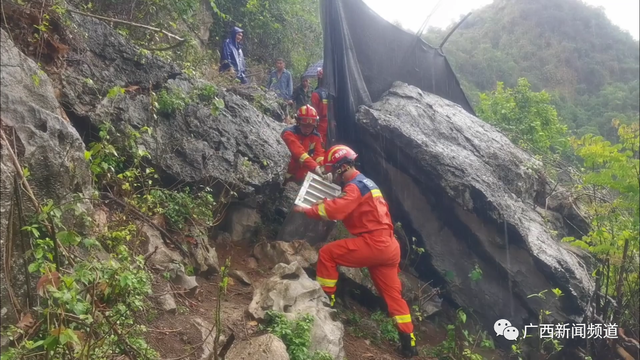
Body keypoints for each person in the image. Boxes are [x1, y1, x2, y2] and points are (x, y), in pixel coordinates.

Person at [293, 144, 418, 358]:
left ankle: (325, 302)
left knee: (327, 254)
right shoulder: (366, 183)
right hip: (389, 246)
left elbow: (337, 210)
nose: (333, 174)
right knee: (393, 297)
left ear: (341, 168)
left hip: (375, 244)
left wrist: (308, 210)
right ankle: (409, 344)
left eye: (333, 170)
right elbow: (351, 207)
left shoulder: (353, 187)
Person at [280, 105, 325, 186]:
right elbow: (299, 153)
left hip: (303, 177)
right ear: (298, 122)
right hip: (287, 175)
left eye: (310, 126)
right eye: (304, 125)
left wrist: (322, 168)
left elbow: (319, 154)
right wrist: (316, 167)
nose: (307, 129)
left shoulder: (316, 136)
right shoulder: (289, 134)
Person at [311, 68, 329, 145]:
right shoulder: (332, 92)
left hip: (320, 124)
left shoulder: (316, 94)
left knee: (321, 145)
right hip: (332, 123)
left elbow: (314, 113)